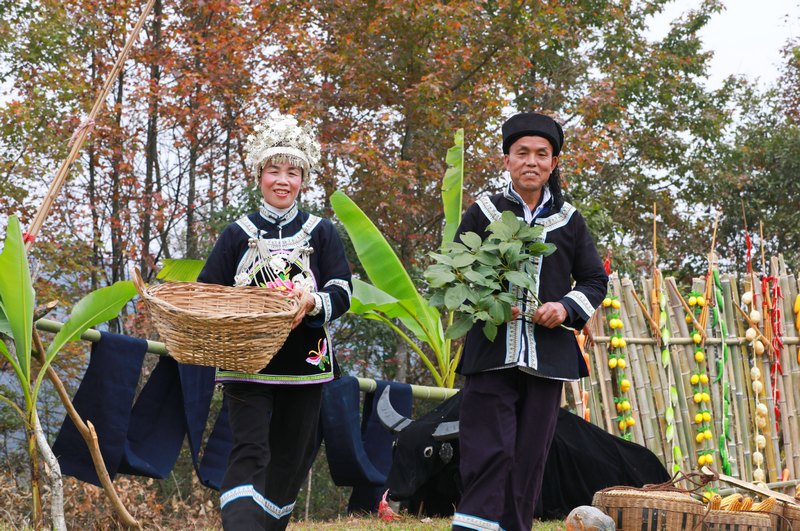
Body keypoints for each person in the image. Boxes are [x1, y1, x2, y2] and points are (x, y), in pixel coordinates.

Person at [451, 113, 608, 531]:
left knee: (528, 458)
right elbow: (457, 273)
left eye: (542, 154)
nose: (532, 162)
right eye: (522, 153)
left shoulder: (569, 220)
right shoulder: (483, 212)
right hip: (490, 355)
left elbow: (594, 279)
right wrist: (493, 306)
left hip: (547, 360)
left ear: (554, 163)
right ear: (507, 159)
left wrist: (565, 308)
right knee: (489, 449)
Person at [197, 111, 352, 530]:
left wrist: (312, 300)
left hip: (306, 365)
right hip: (247, 365)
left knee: (290, 459)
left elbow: (343, 291)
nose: (282, 181)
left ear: (303, 179)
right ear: (258, 175)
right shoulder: (236, 234)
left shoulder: (322, 233)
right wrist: (247, 305)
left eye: (292, 172)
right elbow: (206, 293)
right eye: (273, 171)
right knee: (248, 451)